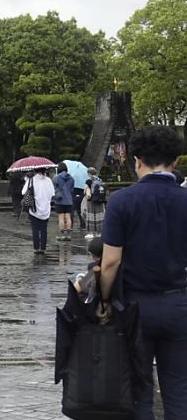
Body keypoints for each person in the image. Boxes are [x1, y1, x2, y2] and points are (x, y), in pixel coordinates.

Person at [98, 126, 187, 419]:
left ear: (136, 160)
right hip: (179, 304)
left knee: (138, 388)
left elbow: (110, 261)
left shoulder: (122, 200)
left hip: (135, 306)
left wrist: (104, 300)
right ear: (175, 161)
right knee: (179, 388)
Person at [22, 169, 54, 254]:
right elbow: (52, 193)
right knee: (44, 229)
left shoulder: (31, 180)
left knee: (35, 229)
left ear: (35, 171)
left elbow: (23, 192)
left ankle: (36, 248)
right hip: (46, 209)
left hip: (34, 208)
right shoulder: (48, 180)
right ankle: (43, 248)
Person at [53, 163, 75, 241]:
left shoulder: (56, 178)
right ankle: (68, 235)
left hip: (60, 200)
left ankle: (62, 235)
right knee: (68, 217)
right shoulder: (71, 178)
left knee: (61, 217)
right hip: (69, 200)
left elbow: (54, 188)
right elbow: (72, 190)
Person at [83, 168, 106, 239]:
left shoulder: (89, 180)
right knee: (99, 216)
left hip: (91, 201)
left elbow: (85, 190)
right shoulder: (100, 180)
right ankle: (99, 233)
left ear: (89, 174)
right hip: (100, 200)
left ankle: (91, 233)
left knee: (91, 216)